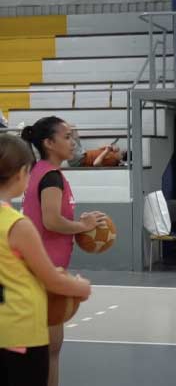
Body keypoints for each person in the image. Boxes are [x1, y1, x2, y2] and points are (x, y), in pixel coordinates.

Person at [0, 134, 91, 386]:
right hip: (20, 334)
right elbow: (51, 280)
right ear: (21, 174)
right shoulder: (17, 225)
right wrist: (81, 288)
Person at [20, 116, 105, 386]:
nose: (73, 142)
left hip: (37, 270)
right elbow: (51, 221)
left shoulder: (40, 171)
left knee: (46, 351)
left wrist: (81, 224)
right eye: (67, 137)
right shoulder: (51, 177)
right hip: (43, 272)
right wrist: (83, 226)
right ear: (48, 142)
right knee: (49, 350)